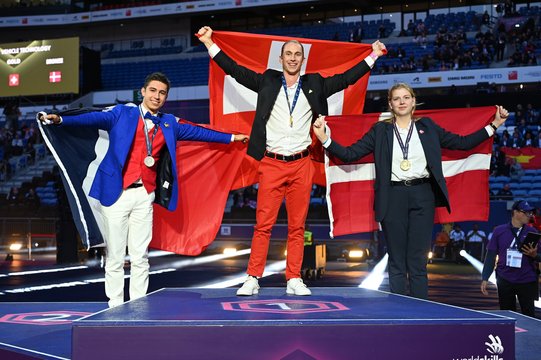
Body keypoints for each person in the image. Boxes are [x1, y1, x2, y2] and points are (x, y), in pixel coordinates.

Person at [197, 26, 387, 296]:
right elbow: (235, 71)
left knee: (298, 226)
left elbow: (346, 79)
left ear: (303, 59)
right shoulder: (268, 80)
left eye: (298, 54)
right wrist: (209, 43)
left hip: (301, 163)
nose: (293, 58)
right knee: (263, 225)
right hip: (272, 163)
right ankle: (252, 277)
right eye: (289, 54)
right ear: (281, 58)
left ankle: (294, 278)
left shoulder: (315, 83)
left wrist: (373, 56)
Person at [37, 72, 249, 308]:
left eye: (162, 93)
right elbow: (91, 118)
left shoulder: (169, 123)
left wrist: (231, 137)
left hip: (144, 195)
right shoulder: (122, 113)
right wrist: (61, 120)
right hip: (115, 195)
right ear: (143, 92)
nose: (157, 96)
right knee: (116, 256)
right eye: (153, 91)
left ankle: (138, 305)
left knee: (140, 256)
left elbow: (200, 132)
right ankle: (115, 304)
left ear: (165, 97)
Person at [312, 82, 508, 299]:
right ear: (390, 104)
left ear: (414, 101)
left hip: (422, 195)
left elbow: (463, 143)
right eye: (397, 98)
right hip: (393, 196)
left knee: (417, 260)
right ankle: (398, 312)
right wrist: (324, 138)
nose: (402, 102)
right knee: (396, 259)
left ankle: (420, 312)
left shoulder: (428, 127)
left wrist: (495, 125)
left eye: (406, 97)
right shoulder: (380, 130)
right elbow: (350, 154)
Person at [481, 200, 540, 318]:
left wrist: (535, 256)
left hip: (526, 279)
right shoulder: (499, 231)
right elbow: (491, 255)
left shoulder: (532, 232)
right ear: (516, 212)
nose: (529, 215)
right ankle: (509, 337)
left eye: (530, 213)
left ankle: (529, 337)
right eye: (526, 212)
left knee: (529, 316)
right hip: (505, 279)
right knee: (507, 315)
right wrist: (485, 277)